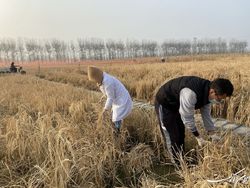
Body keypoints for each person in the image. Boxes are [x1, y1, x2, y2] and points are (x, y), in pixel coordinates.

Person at [154, 76, 234, 163]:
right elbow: (187, 118)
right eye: (219, 98)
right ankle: (176, 164)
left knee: (180, 133)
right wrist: (198, 137)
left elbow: (206, 114)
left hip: (178, 104)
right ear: (212, 92)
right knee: (172, 135)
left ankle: (181, 158)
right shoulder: (190, 94)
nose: (219, 101)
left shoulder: (208, 92)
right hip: (165, 103)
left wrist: (211, 132)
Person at [88, 66, 133, 133]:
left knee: (116, 117)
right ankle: (118, 128)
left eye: (96, 80)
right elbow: (107, 92)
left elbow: (110, 97)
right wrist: (103, 97)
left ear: (98, 77)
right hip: (117, 99)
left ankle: (118, 132)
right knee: (115, 116)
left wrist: (105, 109)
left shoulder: (108, 82)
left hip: (122, 99)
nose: (96, 82)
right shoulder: (103, 78)